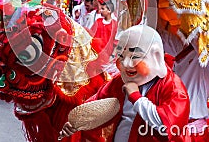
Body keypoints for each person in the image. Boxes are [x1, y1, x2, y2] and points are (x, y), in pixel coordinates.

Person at [60, 25, 191, 141]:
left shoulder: (173, 88)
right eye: (121, 57)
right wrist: (77, 122)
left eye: (134, 57)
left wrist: (136, 97)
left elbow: (166, 125)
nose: (126, 64)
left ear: (155, 56)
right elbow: (100, 100)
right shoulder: (120, 80)